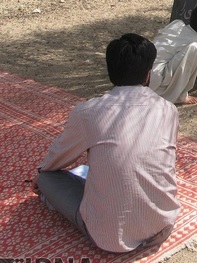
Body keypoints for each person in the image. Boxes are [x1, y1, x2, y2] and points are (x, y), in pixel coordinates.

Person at [31, 33, 181, 253]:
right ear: (148, 75)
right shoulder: (168, 109)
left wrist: (41, 173)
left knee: (47, 178)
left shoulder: (89, 112)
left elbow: (59, 157)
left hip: (110, 237)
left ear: (111, 72)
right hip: (161, 221)